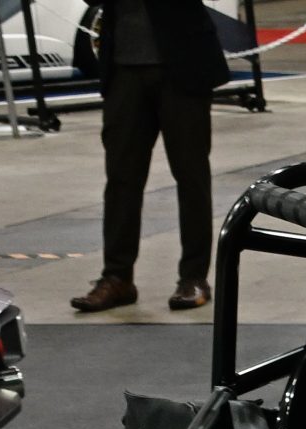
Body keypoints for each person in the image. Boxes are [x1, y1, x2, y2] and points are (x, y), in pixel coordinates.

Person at [70, 0, 230, 314]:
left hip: (182, 63)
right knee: (121, 179)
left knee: (191, 175)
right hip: (123, 67)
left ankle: (194, 277)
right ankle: (117, 277)